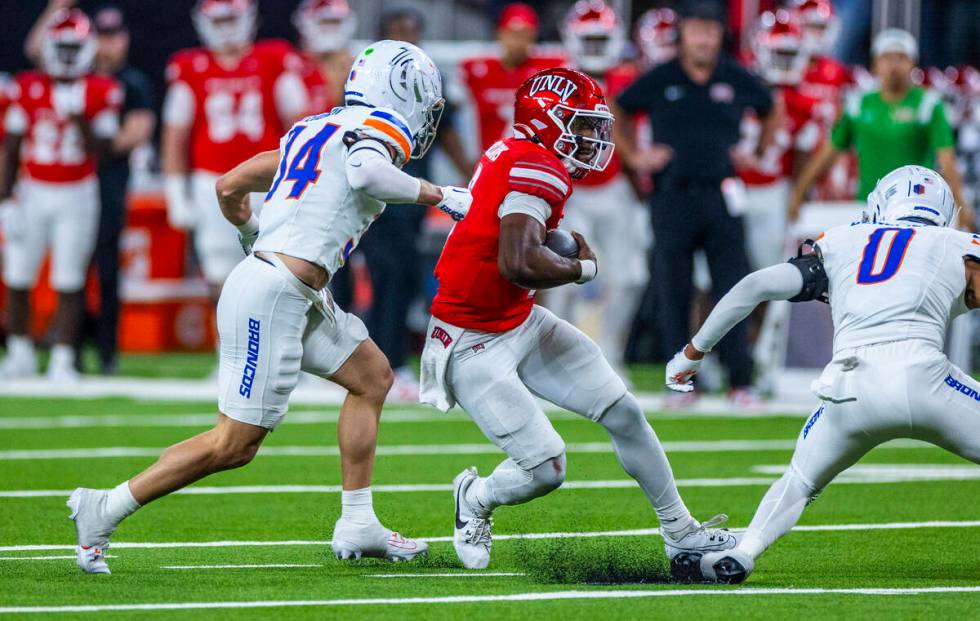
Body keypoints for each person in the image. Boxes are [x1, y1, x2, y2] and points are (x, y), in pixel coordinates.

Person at [67, 40, 473, 574]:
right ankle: (105, 507)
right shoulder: (377, 133)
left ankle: (357, 521)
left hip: (289, 288)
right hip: (275, 293)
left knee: (371, 377)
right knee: (234, 444)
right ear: (397, 91)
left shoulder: (315, 128)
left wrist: (253, 232)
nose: (424, 112)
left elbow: (229, 184)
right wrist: (441, 194)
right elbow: (367, 175)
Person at [420, 67, 736, 572]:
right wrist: (579, 267)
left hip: (515, 319)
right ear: (547, 121)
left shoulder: (519, 151)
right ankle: (476, 498)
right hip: (470, 337)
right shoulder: (536, 165)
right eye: (582, 125)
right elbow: (517, 262)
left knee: (624, 412)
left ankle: (680, 532)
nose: (592, 138)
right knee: (546, 469)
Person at [665, 165, 980, 583]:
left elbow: (754, 285)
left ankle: (743, 551)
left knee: (798, 480)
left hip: (848, 388)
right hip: (925, 379)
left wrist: (692, 352)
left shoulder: (843, 241)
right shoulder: (958, 244)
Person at [612, 0, 777, 405]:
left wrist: (758, 151)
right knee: (673, 290)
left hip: (723, 193)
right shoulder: (661, 76)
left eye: (710, 30)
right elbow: (616, 107)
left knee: (734, 288)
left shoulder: (735, 76)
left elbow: (772, 107)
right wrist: (634, 157)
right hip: (672, 194)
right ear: (682, 35)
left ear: (720, 35)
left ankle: (741, 380)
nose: (704, 38)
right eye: (696, 30)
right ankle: (681, 382)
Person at [340, 6, 473, 401]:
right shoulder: (365, 76)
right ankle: (341, 361)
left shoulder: (429, 76)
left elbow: (444, 130)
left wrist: (471, 172)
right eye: (398, 33)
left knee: (395, 280)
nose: (406, 39)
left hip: (402, 199)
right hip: (363, 191)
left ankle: (388, 360)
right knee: (339, 279)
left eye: (411, 32)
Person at [162, 0, 309, 309]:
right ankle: (228, 353)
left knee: (279, 266)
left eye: (232, 19)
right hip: (212, 181)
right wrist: (176, 192)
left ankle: (275, 349)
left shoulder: (274, 58)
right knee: (219, 269)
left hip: (268, 179)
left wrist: (302, 179)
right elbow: (175, 136)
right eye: (219, 21)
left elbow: (300, 125)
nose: (227, 29)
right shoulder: (190, 66)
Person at [0, 9, 121, 381]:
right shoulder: (27, 85)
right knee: (18, 273)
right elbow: (12, 147)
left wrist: (79, 115)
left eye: (74, 48)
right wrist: (5, 200)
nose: (67, 57)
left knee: (69, 279)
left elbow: (101, 153)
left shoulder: (101, 89)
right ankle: (19, 353)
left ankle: (63, 357)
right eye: (62, 48)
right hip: (33, 189)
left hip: (77, 192)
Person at [546, 0, 647, 380]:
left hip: (617, 188)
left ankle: (609, 356)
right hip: (569, 190)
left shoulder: (630, 80)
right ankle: (555, 362)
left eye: (599, 40)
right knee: (562, 278)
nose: (593, 49)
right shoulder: (555, 80)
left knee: (627, 278)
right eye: (587, 41)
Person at [790, 28, 976, 231]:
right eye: (887, 57)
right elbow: (829, 152)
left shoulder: (929, 105)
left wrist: (961, 205)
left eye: (901, 57)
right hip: (870, 206)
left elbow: (946, 159)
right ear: (875, 63)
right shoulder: (858, 105)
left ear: (913, 63)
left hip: (917, 209)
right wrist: (799, 191)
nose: (894, 65)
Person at [88, 5, 155, 375]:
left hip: (110, 184)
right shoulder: (77, 79)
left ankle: (106, 351)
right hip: (72, 183)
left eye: (112, 37)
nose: (105, 46)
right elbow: (37, 52)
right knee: (72, 269)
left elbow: (130, 136)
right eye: (100, 36)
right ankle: (68, 347)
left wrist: (90, 134)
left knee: (108, 268)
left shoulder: (132, 84)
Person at [459, 2, 564, 154]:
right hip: (488, 160)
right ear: (500, 33)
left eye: (524, 35)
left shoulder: (549, 70)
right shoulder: (476, 69)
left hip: (533, 160)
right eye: (513, 34)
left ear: (533, 36)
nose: (517, 42)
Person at [292, 0, 356, 115]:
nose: (330, 29)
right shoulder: (291, 65)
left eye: (335, 22)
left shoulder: (358, 64)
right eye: (324, 22)